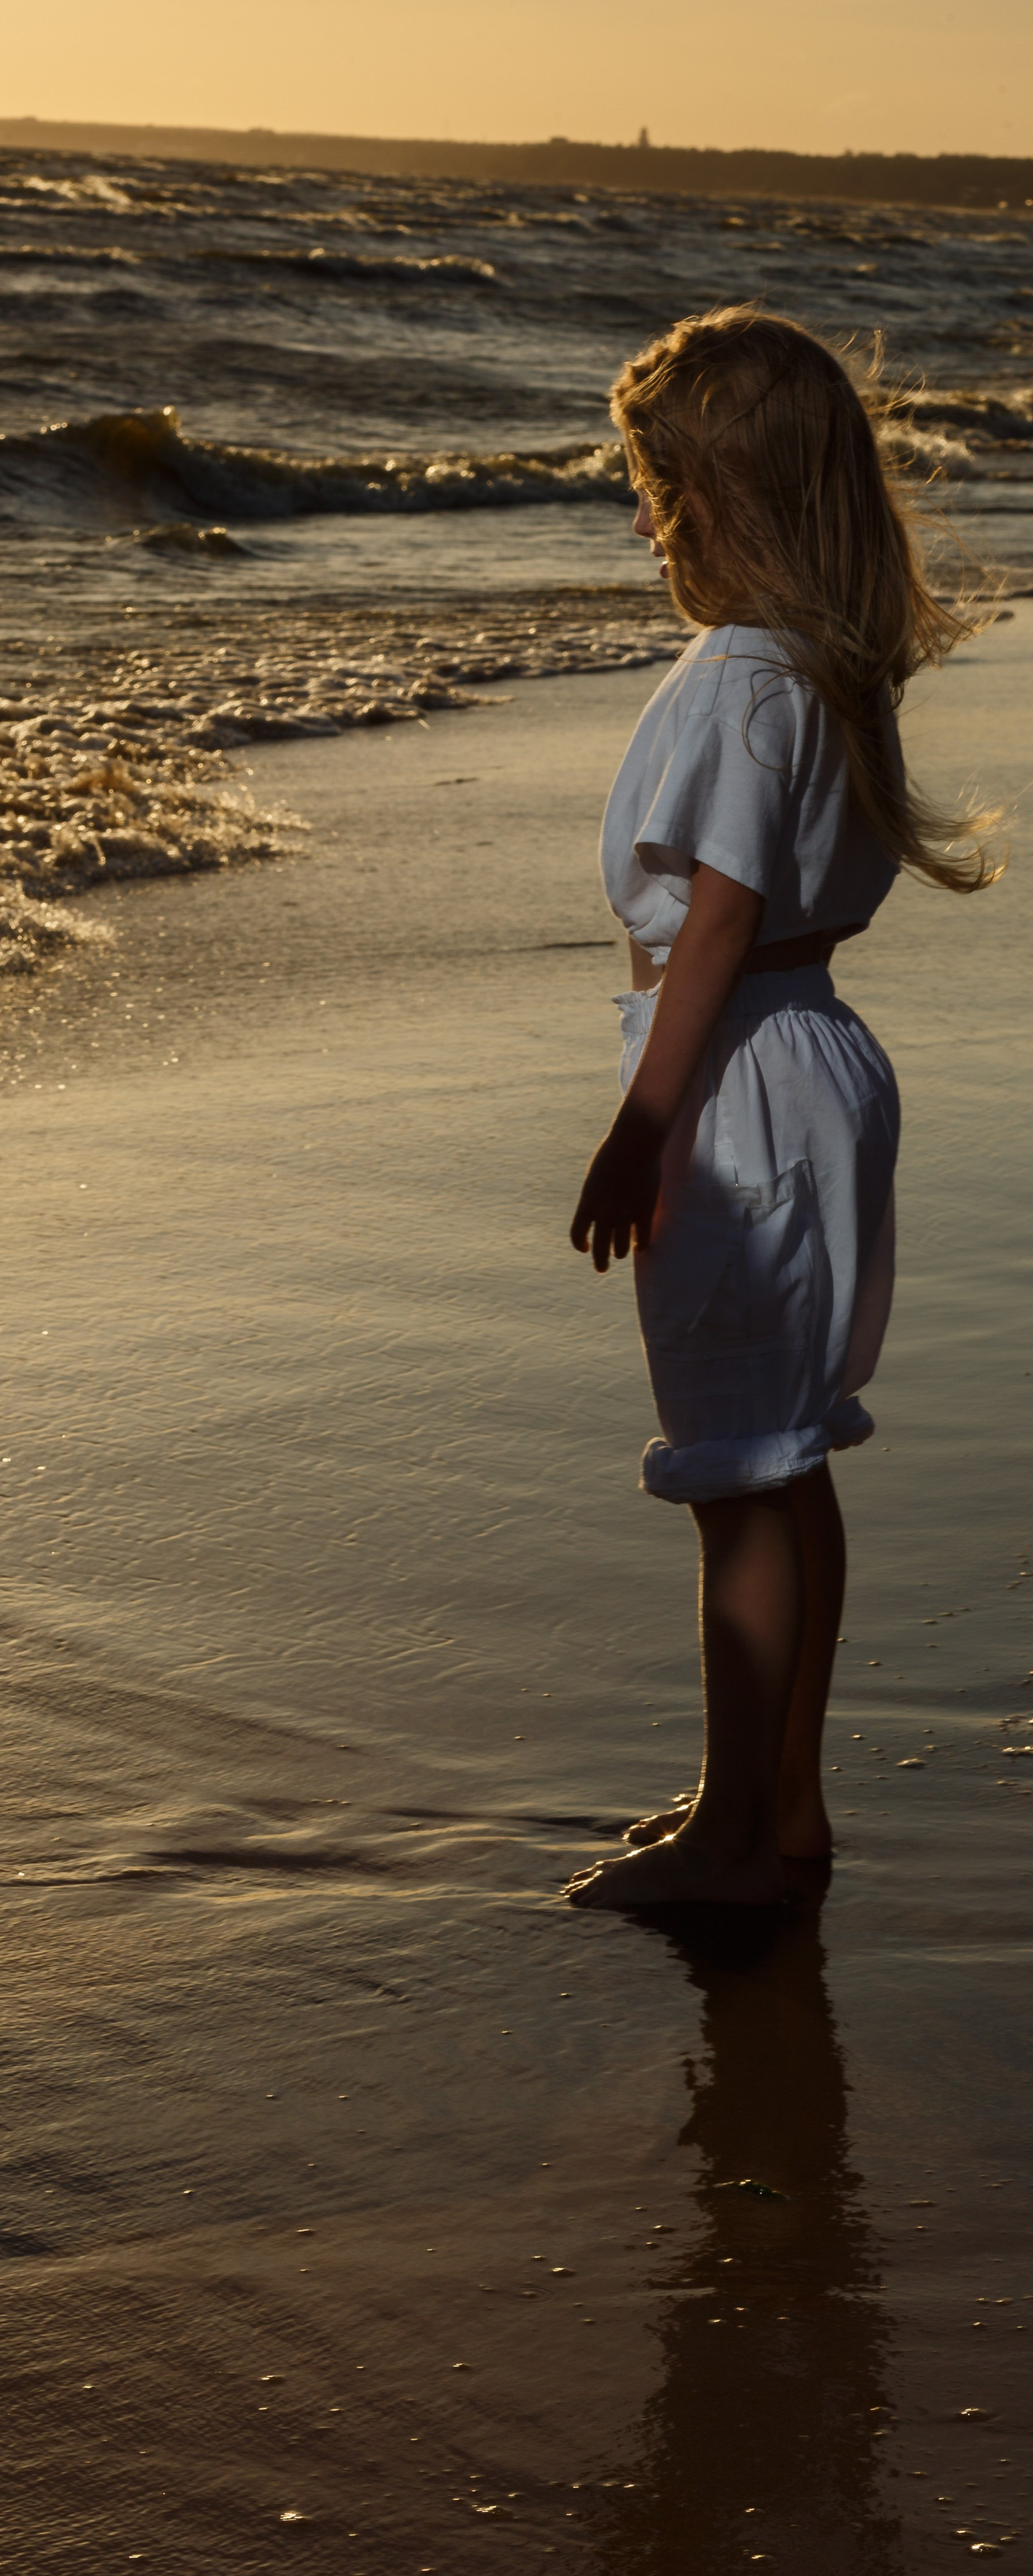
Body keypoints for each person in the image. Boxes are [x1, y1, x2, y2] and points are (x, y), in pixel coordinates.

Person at [564, 305, 996, 1912]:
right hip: (796, 1057)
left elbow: (724, 915)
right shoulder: (812, 665)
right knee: (778, 1464)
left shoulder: (746, 677)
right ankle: (769, 1810)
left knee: (737, 1471)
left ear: (724, 502)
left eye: (656, 489)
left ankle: (733, 1837)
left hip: (736, 1076)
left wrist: (639, 1125)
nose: (640, 517)